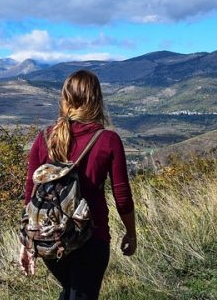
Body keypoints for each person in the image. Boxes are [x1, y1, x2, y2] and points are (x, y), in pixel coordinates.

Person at [21, 70, 137, 300]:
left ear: (65, 98)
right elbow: (121, 195)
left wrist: (26, 241)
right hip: (91, 237)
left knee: (71, 293)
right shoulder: (107, 140)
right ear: (96, 99)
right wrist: (131, 233)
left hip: (49, 237)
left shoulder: (45, 137)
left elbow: (30, 193)